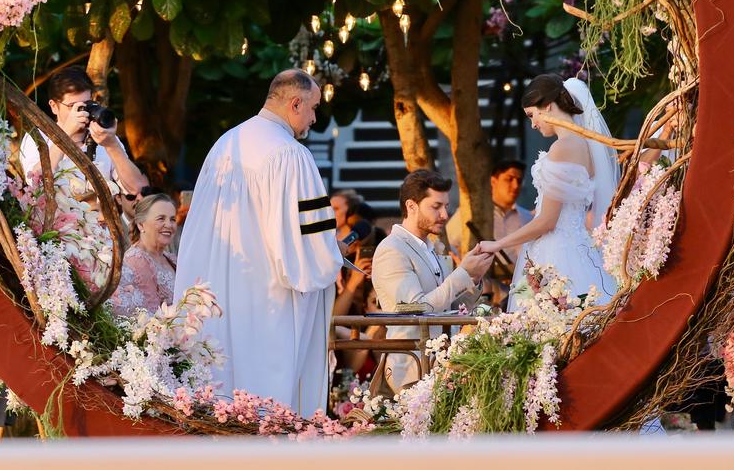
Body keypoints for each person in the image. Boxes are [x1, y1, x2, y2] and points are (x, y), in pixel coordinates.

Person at [173, 69, 343, 417]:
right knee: (265, 406)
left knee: (218, 403)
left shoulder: (224, 145)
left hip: (214, 297)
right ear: (295, 103)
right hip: (267, 304)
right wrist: (333, 258)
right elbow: (311, 254)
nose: (314, 118)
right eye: (312, 108)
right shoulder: (289, 154)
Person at [478, 74, 618, 311]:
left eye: (532, 115)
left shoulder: (563, 148)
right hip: (579, 250)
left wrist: (497, 244)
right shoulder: (584, 145)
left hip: (557, 255)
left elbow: (547, 220)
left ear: (548, 106)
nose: (533, 124)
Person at [372, 170, 493, 391]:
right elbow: (415, 309)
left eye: (446, 206)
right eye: (436, 207)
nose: (445, 215)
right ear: (411, 206)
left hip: (445, 365)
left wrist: (473, 278)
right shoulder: (392, 249)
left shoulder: (431, 247)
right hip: (412, 368)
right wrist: (463, 274)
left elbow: (450, 306)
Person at [18, 66, 145, 196]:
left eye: (86, 104)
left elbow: (136, 189)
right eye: (73, 106)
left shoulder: (104, 138)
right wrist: (65, 136)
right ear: (54, 107)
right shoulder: (37, 137)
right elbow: (35, 184)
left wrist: (112, 145)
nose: (82, 112)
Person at [446, 160, 534, 307]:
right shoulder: (471, 215)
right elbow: (448, 245)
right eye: (509, 179)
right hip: (479, 294)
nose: (515, 185)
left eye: (519, 180)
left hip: (520, 296)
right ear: (493, 181)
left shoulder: (528, 218)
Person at [111, 194, 178, 317]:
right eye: (161, 219)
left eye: (172, 219)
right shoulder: (136, 260)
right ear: (141, 224)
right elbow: (152, 315)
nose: (169, 225)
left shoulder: (172, 259)